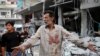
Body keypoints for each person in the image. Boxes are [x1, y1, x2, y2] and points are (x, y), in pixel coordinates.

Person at [12, 10, 96, 56]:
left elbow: (72, 38)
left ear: (52, 18)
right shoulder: (41, 29)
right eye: (43, 18)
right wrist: (22, 46)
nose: (44, 19)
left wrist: (86, 44)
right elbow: (32, 39)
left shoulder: (59, 29)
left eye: (46, 17)